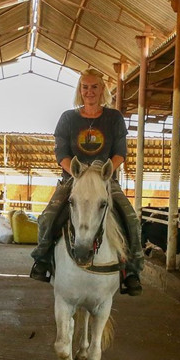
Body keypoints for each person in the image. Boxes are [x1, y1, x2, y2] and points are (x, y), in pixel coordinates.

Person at [29, 68, 144, 296]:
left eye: (94, 87)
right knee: (48, 217)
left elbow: (120, 152)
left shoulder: (113, 118)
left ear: (102, 90)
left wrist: (103, 172)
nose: (89, 92)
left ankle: (132, 270)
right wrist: (78, 172)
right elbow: (61, 152)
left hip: (104, 180)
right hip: (73, 178)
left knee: (131, 220)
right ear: (79, 90)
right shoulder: (68, 118)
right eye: (85, 87)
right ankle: (41, 258)